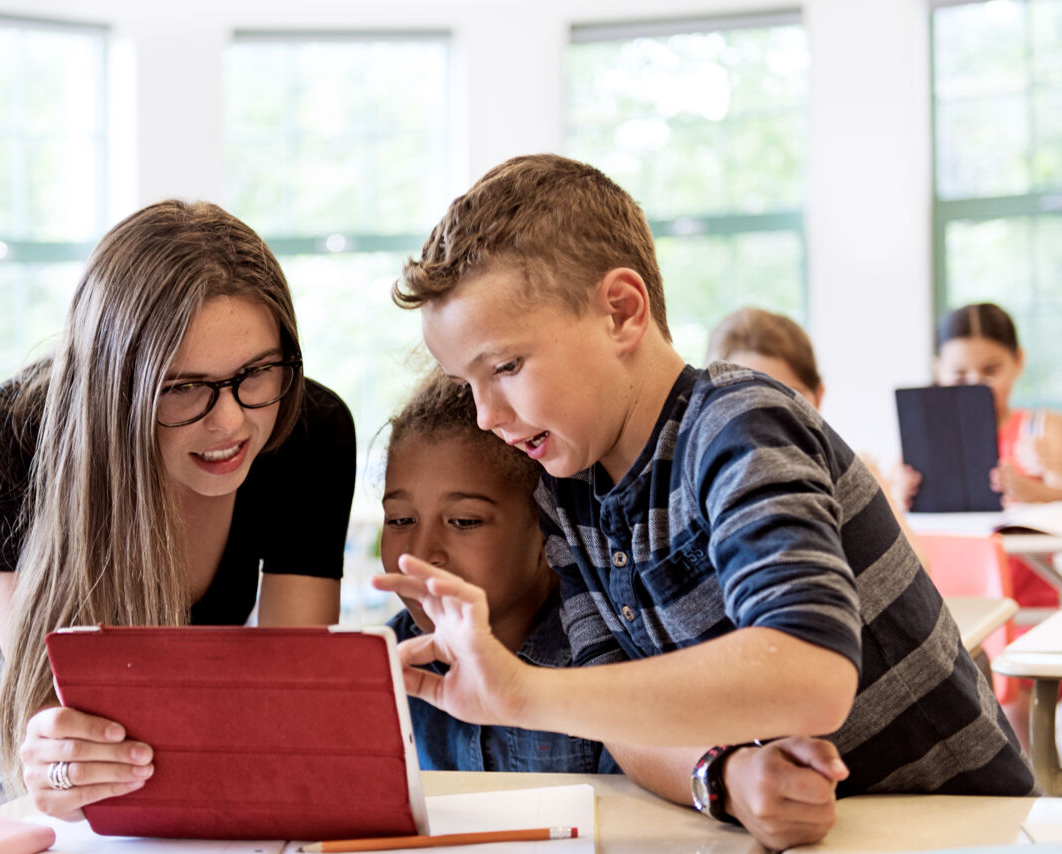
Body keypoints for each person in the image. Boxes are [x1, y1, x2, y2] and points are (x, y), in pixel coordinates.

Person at [372, 154, 1036, 851]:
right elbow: (620, 718)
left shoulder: (738, 423)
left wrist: (523, 692)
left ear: (622, 312)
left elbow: (810, 674)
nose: (485, 415)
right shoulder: (570, 493)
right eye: (467, 381)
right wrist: (724, 777)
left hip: (963, 827)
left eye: (506, 367)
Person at [0, 200, 356, 818]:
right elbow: (52, 722)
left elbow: (291, 691)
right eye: (182, 387)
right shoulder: (7, 440)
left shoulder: (310, 429)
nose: (231, 422)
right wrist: (61, 772)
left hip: (201, 671)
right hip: (2, 693)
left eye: (255, 372)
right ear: (113, 385)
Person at [380, 368, 620, 773]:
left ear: (548, 531)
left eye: (464, 521)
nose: (420, 554)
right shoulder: (383, 670)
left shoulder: (602, 659)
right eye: (401, 520)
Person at [705, 307, 927, 568]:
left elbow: (916, 570)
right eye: (742, 402)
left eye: (787, 396)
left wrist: (873, 494)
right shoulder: (706, 494)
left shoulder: (853, 474)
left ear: (817, 396)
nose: (765, 419)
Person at [934, 302, 1062, 607]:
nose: (977, 384)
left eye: (991, 371)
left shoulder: (1043, 429)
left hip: (1033, 611)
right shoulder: (929, 441)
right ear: (938, 370)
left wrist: (1036, 490)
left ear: (1018, 361)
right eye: (960, 374)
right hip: (956, 608)